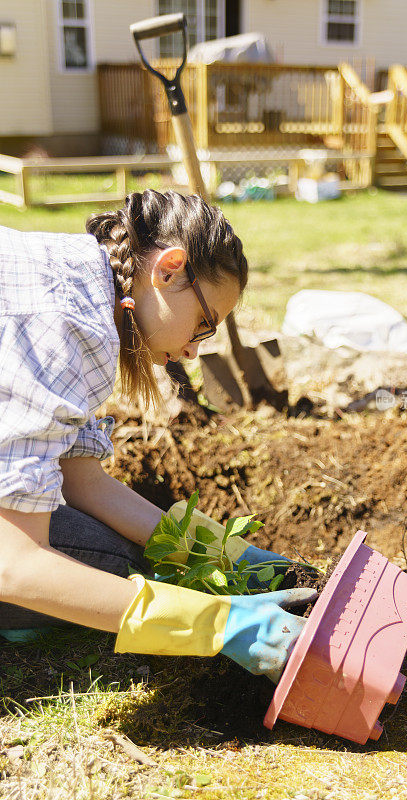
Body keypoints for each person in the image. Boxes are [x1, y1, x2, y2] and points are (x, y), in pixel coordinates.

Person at [0, 190, 315, 682]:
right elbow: (13, 563)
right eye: (203, 325)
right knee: (112, 562)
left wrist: (232, 559)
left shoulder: (76, 283)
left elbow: (81, 481)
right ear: (169, 269)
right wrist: (220, 625)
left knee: (110, 547)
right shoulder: (65, 323)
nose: (193, 351)